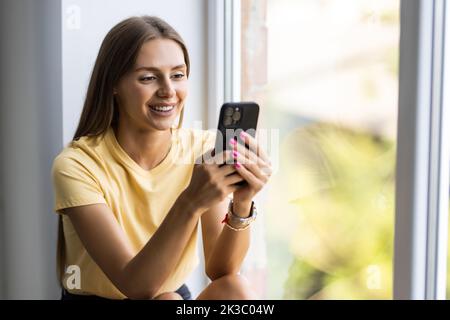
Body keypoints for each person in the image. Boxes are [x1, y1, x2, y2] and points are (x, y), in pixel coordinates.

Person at [51, 15, 272, 300]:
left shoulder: (201, 150)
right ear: (114, 84)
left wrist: (242, 203)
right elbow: (136, 287)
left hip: (170, 296)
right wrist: (191, 202)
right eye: (148, 78)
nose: (168, 91)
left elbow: (221, 271)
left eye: (178, 75)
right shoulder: (76, 166)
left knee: (234, 289)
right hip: (109, 296)